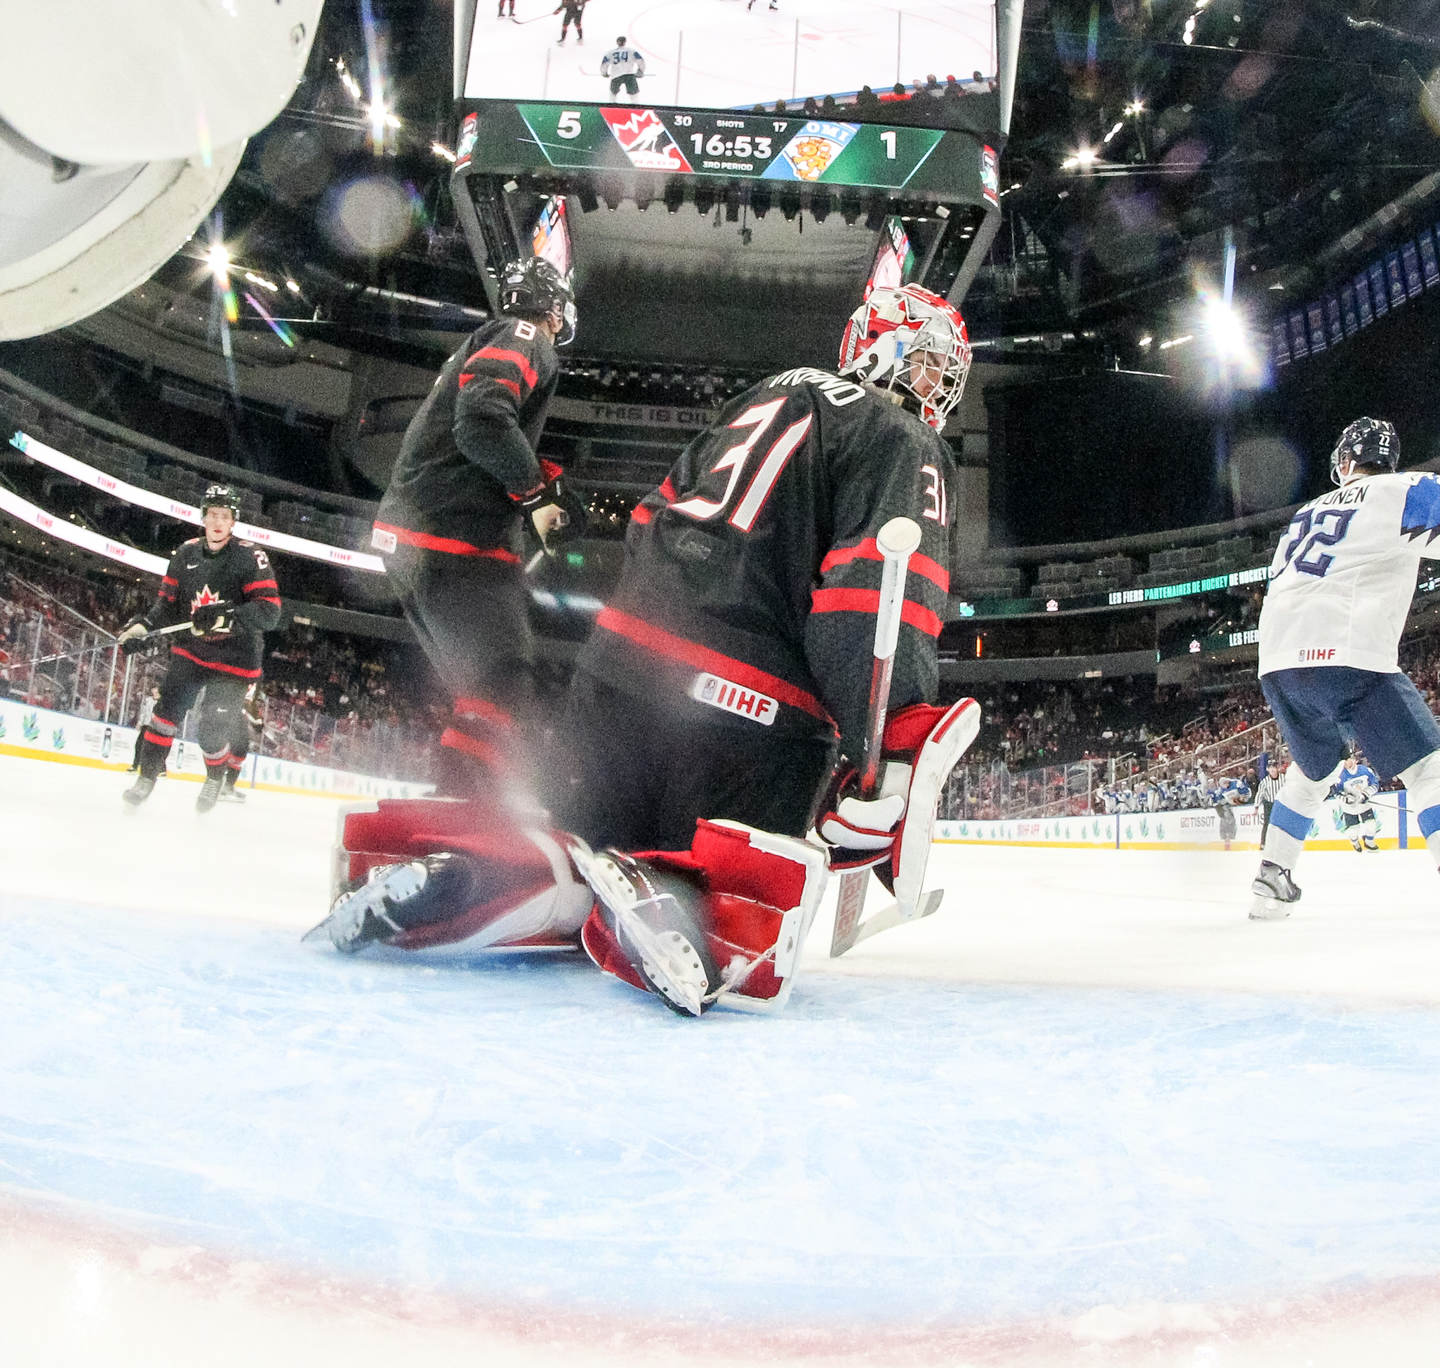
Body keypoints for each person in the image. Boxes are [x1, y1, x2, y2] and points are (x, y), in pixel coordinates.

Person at [321, 283, 982, 1018]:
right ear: (886, 351)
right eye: (929, 364)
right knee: (737, 913)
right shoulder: (900, 438)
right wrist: (879, 750)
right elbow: (872, 601)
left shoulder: (761, 395)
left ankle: (517, 876)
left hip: (617, 673)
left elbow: (646, 519)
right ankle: (675, 896)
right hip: (748, 722)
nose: (938, 387)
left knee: (580, 845)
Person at [1248, 417, 1440, 929]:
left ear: (1343, 461)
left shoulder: (1303, 514)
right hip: (1347, 653)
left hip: (1278, 664)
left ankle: (1272, 877)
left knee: (1313, 772)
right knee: (1427, 766)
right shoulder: (1401, 489)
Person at [370, 255, 579, 798]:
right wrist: (533, 492)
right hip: (449, 538)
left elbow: (480, 425)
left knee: (481, 691)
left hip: (422, 538)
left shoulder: (496, 333)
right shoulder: (524, 332)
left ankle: (459, 805)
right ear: (553, 305)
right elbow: (483, 419)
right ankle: (462, 811)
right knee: (503, 681)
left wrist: (537, 480)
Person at [117, 484, 284, 813]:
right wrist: (142, 627)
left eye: (225, 516)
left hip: (235, 659)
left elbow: (270, 611)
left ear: (233, 521)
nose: (218, 522)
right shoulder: (185, 553)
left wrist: (229, 617)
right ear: (203, 518)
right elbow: (165, 604)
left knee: (212, 728)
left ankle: (214, 778)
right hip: (192, 651)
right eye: (212, 515)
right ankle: (146, 779)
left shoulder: (250, 556)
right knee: (165, 714)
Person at [1330, 750, 1381, 851]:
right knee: (1353, 830)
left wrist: (1367, 794)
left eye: (1347, 760)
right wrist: (1345, 798)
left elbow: (1375, 784)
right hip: (1349, 808)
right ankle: (1354, 842)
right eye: (1343, 762)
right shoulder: (1340, 775)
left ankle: (1369, 842)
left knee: (1371, 824)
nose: (1345, 763)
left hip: (1365, 805)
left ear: (1354, 760)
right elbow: (1335, 791)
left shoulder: (1365, 770)